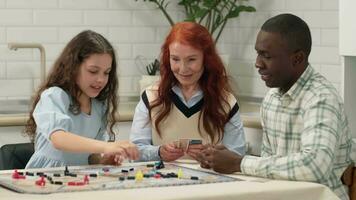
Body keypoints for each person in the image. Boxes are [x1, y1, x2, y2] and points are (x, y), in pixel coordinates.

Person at [196, 13, 353, 200]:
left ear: (297, 58)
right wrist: (220, 160)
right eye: (258, 53)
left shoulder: (321, 98)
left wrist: (239, 163)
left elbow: (314, 167)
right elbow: (269, 167)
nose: (257, 63)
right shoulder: (271, 99)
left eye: (266, 56)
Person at [130, 22, 246, 162]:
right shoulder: (150, 97)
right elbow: (135, 150)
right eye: (175, 59)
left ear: (206, 59)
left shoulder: (227, 102)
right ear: (168, 59)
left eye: (191, 60)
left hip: (210, 182)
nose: (183, 69)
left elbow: (237, 156)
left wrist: (213, 155)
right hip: (160, 180)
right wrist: (159, 152)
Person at [25, 30, 139, 169]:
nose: (101, 79)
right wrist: (107, 146)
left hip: (78, 177)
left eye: (106, 73)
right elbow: (59, 139)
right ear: (73, 67)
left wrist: (103, 160)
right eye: (93, 71)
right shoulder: (54, 96)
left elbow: (89, 156)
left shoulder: (99, 106)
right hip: (44, 175)